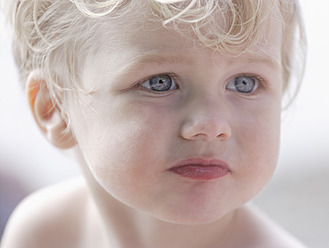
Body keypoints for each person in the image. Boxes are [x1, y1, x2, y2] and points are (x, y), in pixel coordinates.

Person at [0, 0, 307, 247]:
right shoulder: (43, 234)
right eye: (160, 83)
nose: (211, 125)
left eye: (244, 83)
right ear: (54, 107)